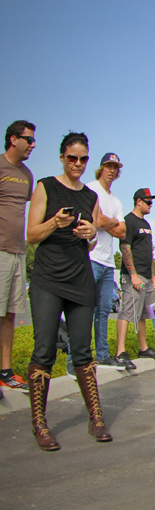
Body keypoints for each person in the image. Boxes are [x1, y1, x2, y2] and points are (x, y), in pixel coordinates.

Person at [25, 131, 108, 450]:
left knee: (83, 350)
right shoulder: (45, 186)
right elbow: (32, 235)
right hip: (48, 278)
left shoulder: (90, 197)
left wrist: (90, 234)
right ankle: (40, 423)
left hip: (80, 279)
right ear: (62, 157)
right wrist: (54, 224)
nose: (77, 163)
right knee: (45, 350)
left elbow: (90, 242)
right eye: (72, 158)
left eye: (83, 159)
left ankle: (96, 419)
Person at [0, 120, 36, 394]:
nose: (33, 145)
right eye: (29, 139)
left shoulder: (27, 175)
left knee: (10, 313)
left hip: (18, 251)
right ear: (14, 139)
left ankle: (5, 372)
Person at [86, 152, 126, 367]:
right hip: (90, 257)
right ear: (101, 168)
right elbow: (96, 221)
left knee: (102, 312)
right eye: (109, 166)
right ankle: (79, 358)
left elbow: (122, 231)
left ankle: (102, 355)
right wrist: (111, 222)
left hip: (108, 262)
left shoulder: (116, 200)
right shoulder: (91, 189)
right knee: (83, 310)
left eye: (115, 167)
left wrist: (104, 221)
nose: (112, 170)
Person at [113, 188, 155, 370]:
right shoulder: (129, 221)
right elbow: (125, 247)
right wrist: (132, 274)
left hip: (146, 276)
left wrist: (152, 274)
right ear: (138, 201)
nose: (151, 205)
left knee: (143, 314)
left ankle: (143, 348)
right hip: (134, 275)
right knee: (127, 312)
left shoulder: (146, 224)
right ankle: (120, 352)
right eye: (148, 202)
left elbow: (149, 251)